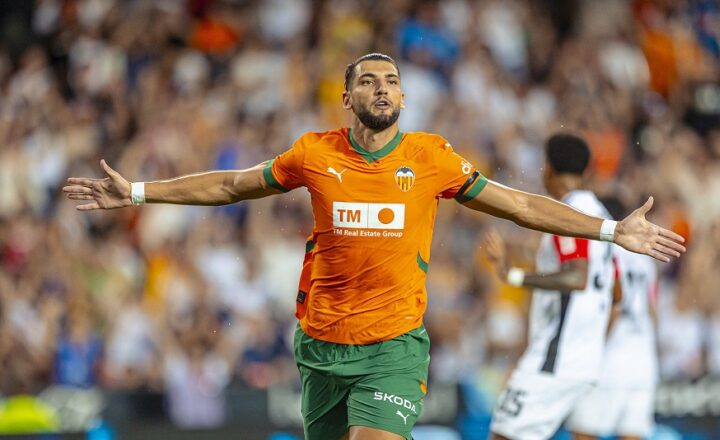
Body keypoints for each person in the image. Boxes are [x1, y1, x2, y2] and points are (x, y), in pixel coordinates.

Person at [63, 53, 685, 440]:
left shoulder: (432, 158)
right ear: (348, 97)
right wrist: (137, 192)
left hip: (394, 347)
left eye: (392, 81)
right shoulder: (314, 153)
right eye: (368, 80)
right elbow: (231, 185)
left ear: (404, 99)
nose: (382, 88)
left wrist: (612, 230)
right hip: (321, 347)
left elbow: (520, 205)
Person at [483, 134, 620, 440]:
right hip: (589, 360)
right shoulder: (602, 216)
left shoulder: (566, 216)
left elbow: (577, 277)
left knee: (503, 436)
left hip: (557, 358)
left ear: (548, 168)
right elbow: (616, 291)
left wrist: (514, 276)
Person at [567, 201, 660, 440]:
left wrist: (591, 348)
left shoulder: (606, 249)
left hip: (609, 360)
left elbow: (615, 306)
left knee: (584, 432)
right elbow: (652, 311)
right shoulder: (646, 257)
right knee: (632, 433)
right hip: (643, 361)